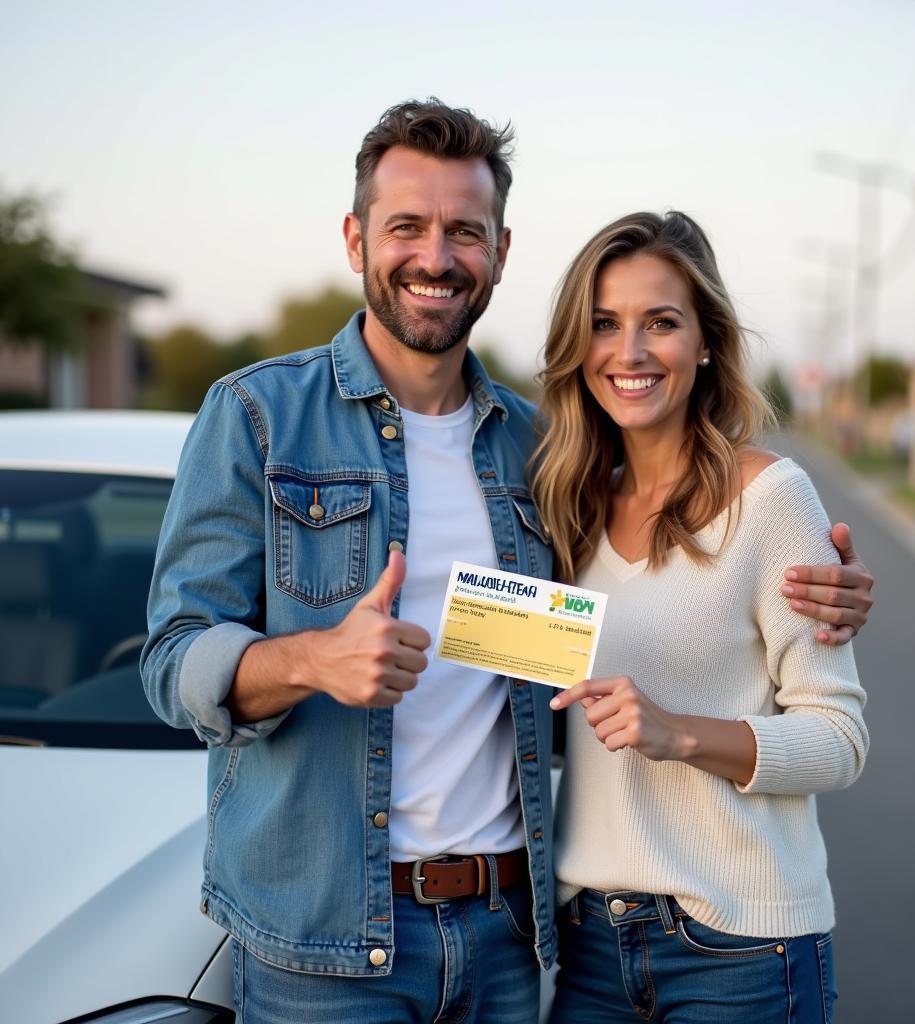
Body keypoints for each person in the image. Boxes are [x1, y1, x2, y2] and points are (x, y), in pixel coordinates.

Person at [142, 101, 873, 1024]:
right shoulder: (256, 417)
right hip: (325, 948)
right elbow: (172, 659)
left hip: (506, 939)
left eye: (465, 232)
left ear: (501, 250)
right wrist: (307, 661)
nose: (435, 258)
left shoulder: (538, 457)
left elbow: (610, 642)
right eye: (406, 225)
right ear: (355, 237)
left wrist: (822, 594)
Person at [534, 210, 869, 1023]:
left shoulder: (772, 497)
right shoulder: (563, 505)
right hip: (590, 949)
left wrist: (679, 733)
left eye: (661, 322)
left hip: (741, 952)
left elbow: (840, 740)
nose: (631, 351)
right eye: (605, 324)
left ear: (707, 339)